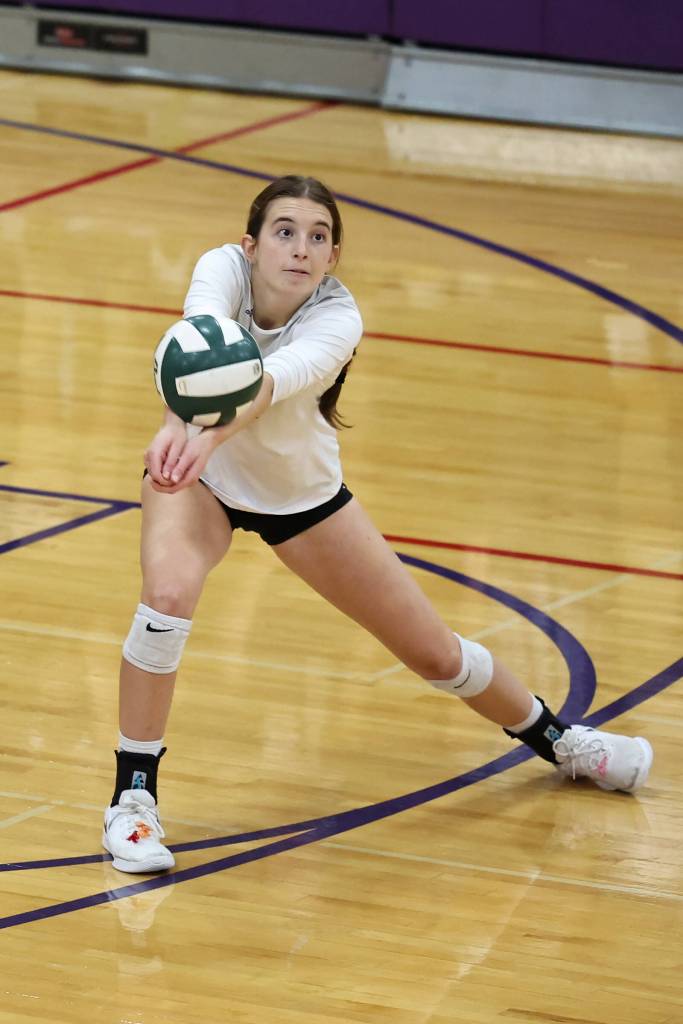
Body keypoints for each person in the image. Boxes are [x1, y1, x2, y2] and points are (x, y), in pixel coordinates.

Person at [102, 175, 653, 874]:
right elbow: (196, 349)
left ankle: (560, 741)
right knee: (166, 600)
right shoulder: (221, 270)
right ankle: (132, 803)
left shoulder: (338, 318)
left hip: (300, 496)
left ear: (332, 257)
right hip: (204, 483)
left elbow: (264, 384)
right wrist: (179, 430)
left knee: (435, 655)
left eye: (318, 237)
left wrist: (201, 436)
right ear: (251, 245)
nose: (301, 249)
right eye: (284, 232)